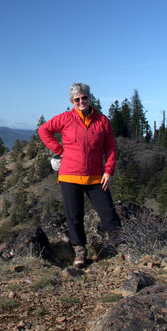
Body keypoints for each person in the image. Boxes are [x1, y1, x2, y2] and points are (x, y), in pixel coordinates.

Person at [38, 82, 121, 268]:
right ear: (72, 101)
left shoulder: (102, 120)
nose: (81, 101)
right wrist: (60, 150)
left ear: (90, 98)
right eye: (77, 99)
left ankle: (122, 246)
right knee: (74, 216)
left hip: (96, 177)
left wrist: (109, 170)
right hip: (70, 176)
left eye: (84, 97)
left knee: (108, 213)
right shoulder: (66, 118)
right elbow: (43, 130)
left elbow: (110, 147)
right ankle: (80, 253)